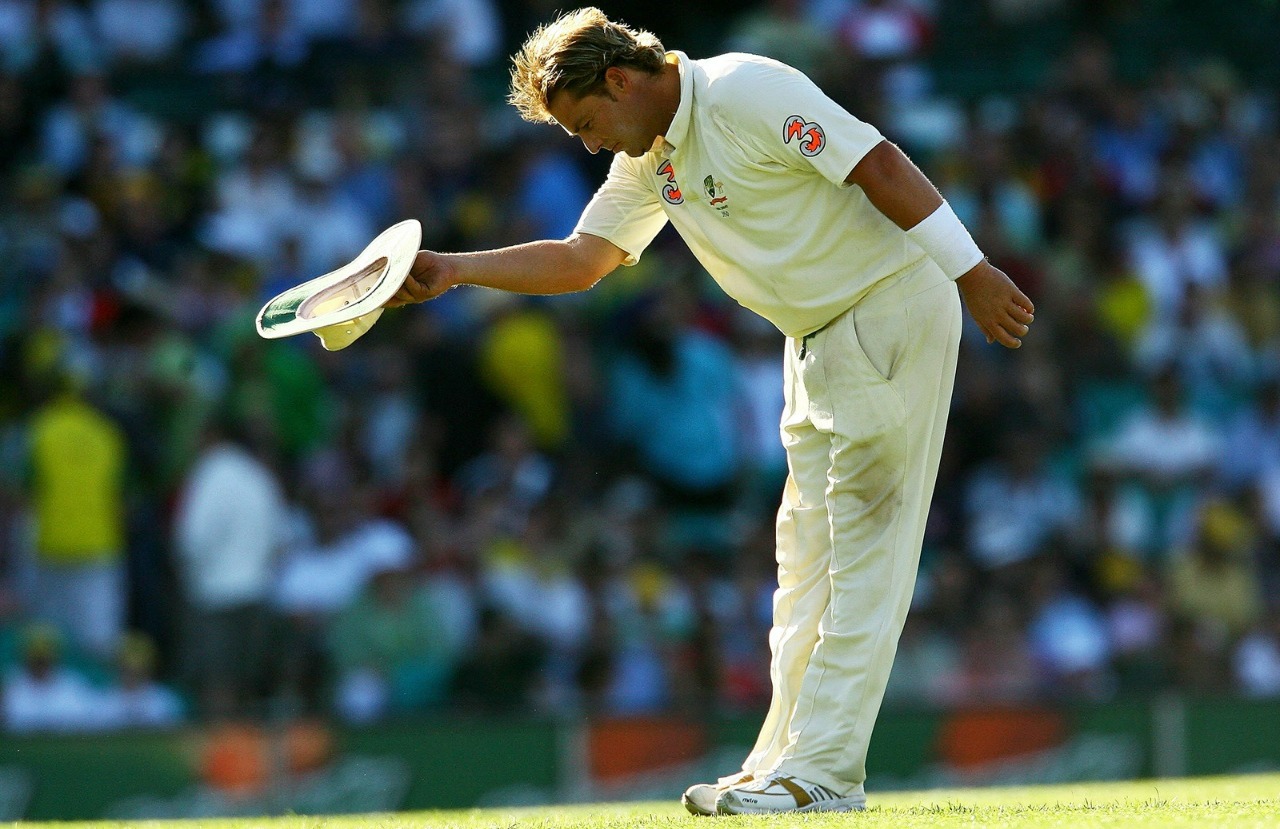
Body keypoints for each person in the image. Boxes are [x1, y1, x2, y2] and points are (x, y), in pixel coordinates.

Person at [385, 7, 1034, 814]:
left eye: (586, 124)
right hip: (815, 337)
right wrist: (454, 269)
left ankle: (824, 773)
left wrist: (971, 271)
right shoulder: (651, 155)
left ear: (619, 80)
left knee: (863, 549)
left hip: (889, 304)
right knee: (804, 559)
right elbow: (584, 260)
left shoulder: (743, 91)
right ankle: (779, 763)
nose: (589, 145)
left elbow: (877, 162)